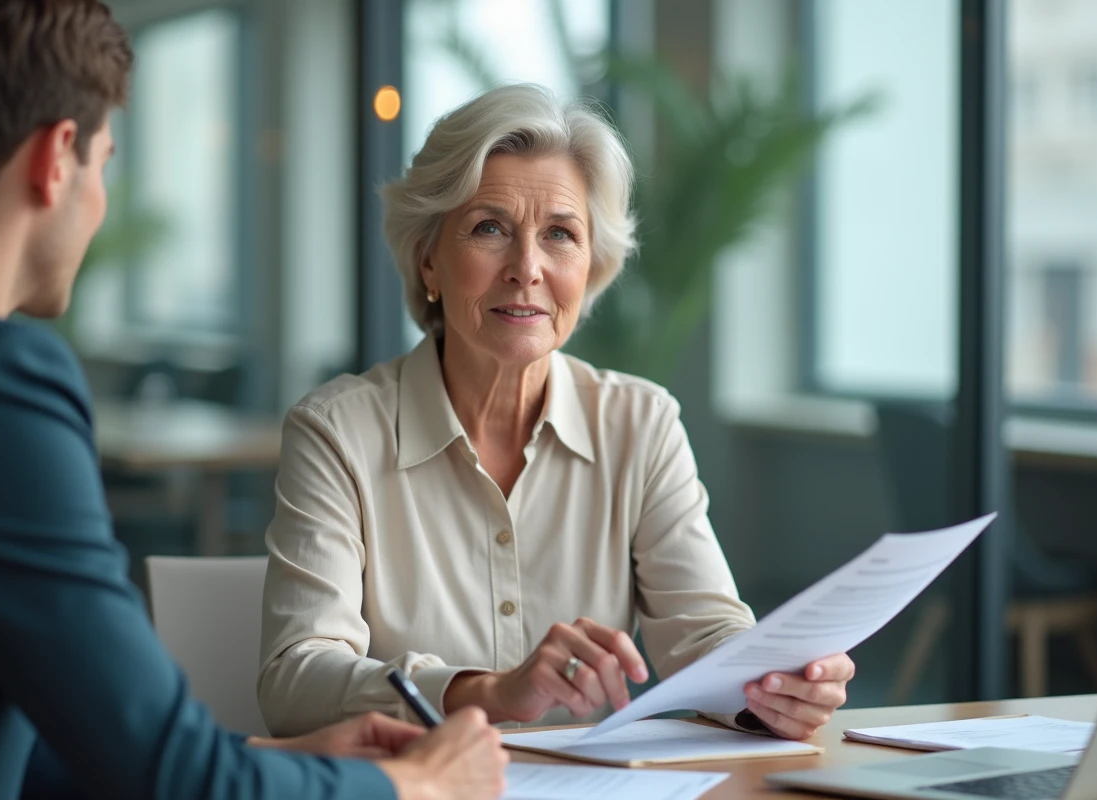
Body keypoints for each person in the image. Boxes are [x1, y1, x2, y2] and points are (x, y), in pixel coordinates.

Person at [0, 2, 507, 798]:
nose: (101, 202)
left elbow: (4, 748)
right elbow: (172, 777)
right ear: (56, 159)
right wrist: (419, 786)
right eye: (105, 163)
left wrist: (272, 757)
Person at [258, 83, 856, 741]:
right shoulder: (337, 432)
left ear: (591, 267)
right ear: (429, 260)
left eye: (560, 235)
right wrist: (487, 691)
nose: (527, 268)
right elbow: (295, 681)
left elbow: (704, 634)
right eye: (490, 228)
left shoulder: (641, 424)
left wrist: (775, 685)